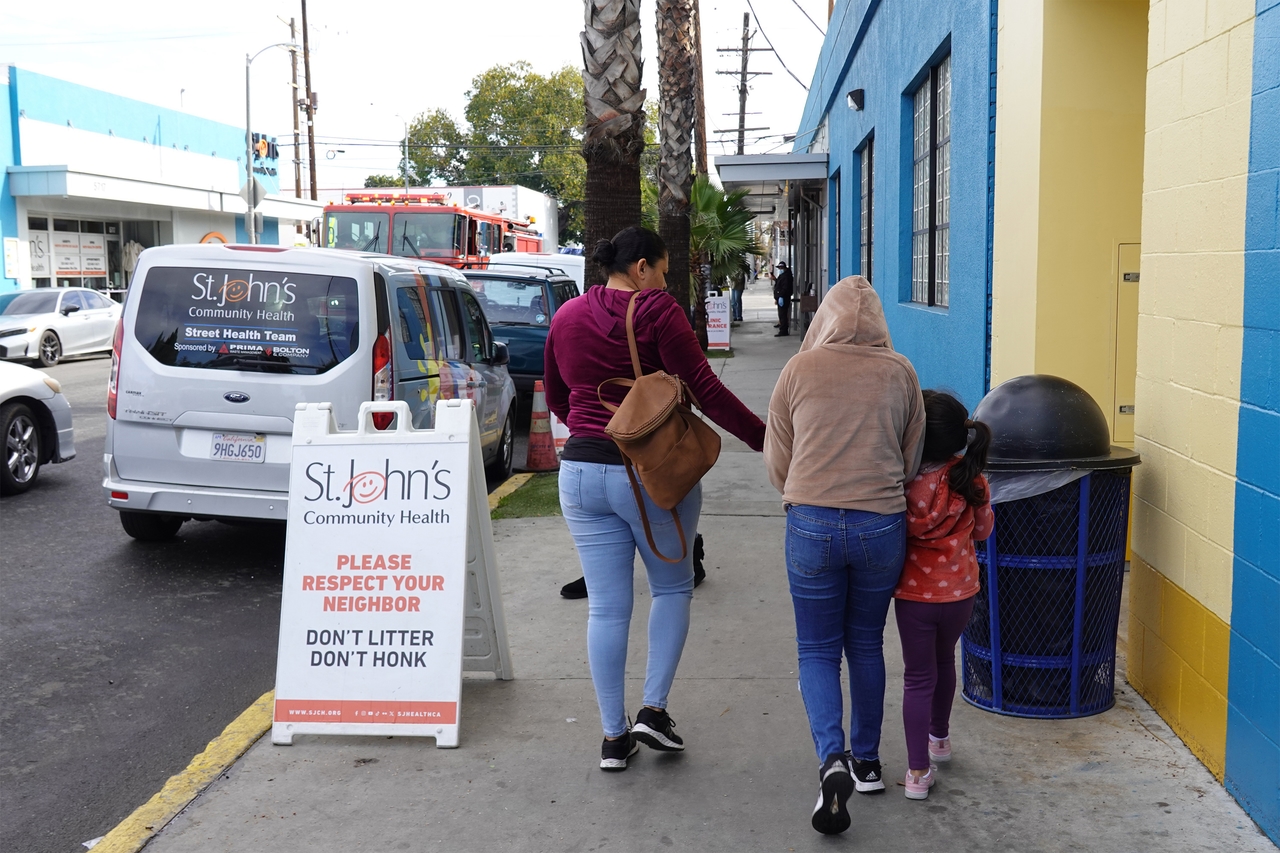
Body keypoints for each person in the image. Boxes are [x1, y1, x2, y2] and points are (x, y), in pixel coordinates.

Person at [544, 226, 766, 771]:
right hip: (647, 473)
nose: (666, 282)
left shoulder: (567, 315)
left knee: (607, 606)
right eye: (663, 270)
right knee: (672, 585)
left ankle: (612, 738)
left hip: (579, 471)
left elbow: (555, 394)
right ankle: (653, 711)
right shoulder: (657, 311)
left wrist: (593, 427)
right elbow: (706, 390)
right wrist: (769, 440)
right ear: (641, 267)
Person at [764, 276, 925, 835]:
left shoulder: (798, 370)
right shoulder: (901, 372)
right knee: (865, 643)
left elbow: (777, 456)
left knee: (816, 649)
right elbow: (911, 458)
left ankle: (831, 757)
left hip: (810, 520)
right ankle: (869, 762)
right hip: (881, 524)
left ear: (824, 317)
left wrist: (803, 496)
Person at [893, 391, 993, 800]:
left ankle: (917, 773)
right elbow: (984, 531)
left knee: (917, 678)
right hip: (960, 595)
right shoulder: (971, 478)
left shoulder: (903, 480)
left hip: (915, 599)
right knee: (944, 660)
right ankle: (941, 740)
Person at [772, 262, 794, 336]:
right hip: (781, 297)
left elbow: (785, 287)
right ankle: (783, 328)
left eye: (781, 268)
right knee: (782, 314)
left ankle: (783, 330)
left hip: (784, 297)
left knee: (783, 314)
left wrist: (781, 296)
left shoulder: (786, 276)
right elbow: (779, 284)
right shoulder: (784, 275)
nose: (780, 269)